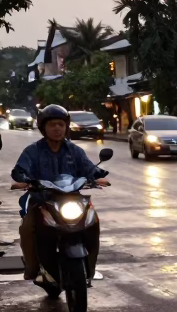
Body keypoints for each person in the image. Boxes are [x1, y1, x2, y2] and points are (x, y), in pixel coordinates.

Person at [10, 104, 109, 284]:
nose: (57, 128)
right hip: (42, 201)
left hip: (73, 200)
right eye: (52, 125)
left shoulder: (74, 150)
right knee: (27, 229)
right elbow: (19, 170)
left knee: (93, 223)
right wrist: (23, 179)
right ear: (43, 128)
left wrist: (97, 176)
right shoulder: (33, 151)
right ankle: (33, 269)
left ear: (66, 127)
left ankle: (89, 269)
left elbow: (88, 167)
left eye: (61, 125)